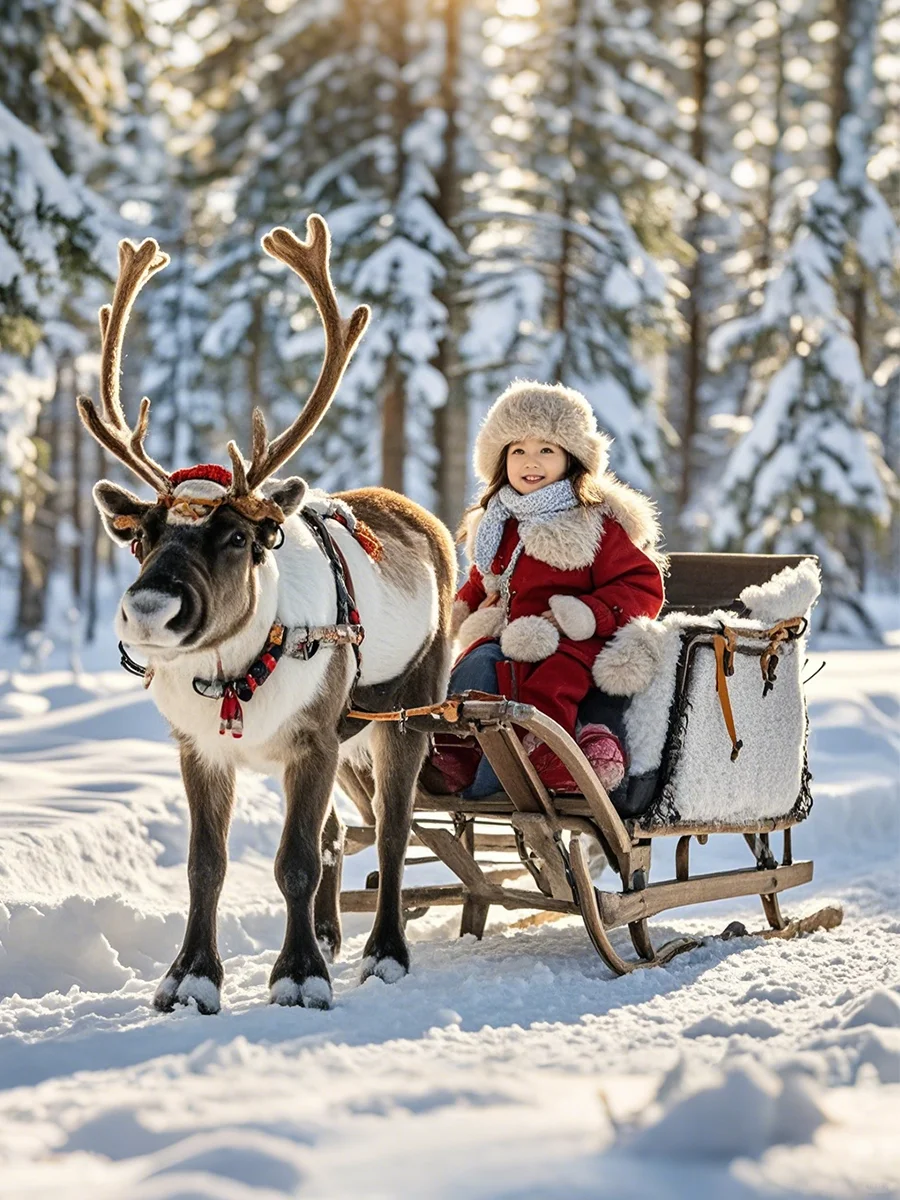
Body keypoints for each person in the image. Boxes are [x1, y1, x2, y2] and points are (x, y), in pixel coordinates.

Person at [428, 380, 665, 798]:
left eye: (546, 450)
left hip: (578, 637)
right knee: (476, 663)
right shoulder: (497, 519)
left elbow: (642, 584)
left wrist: (588, 612)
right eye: (518, 450)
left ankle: (552, 755)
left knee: (555, 678)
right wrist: (455, 611)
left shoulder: (594, 521)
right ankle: (458, 748)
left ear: (570, 458)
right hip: (512, 635)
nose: (530, 461)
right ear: (500, 459)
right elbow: (484, 578)